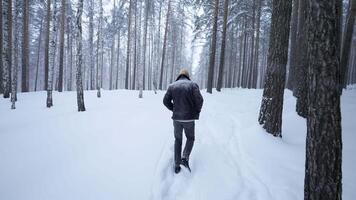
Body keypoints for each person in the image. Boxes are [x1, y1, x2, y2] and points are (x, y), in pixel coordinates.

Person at [163, 69, 204, 174]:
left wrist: (174, 109)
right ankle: (185, 158)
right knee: (190, 138)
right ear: (187, 76)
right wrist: (196, 112)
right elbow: (200, 100)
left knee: (178, 140)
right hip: (189, 119)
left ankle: (177, 165)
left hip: (177, 119)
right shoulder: (193, 85)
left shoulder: (172, 86)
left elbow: (165, 101)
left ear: (179, 75)